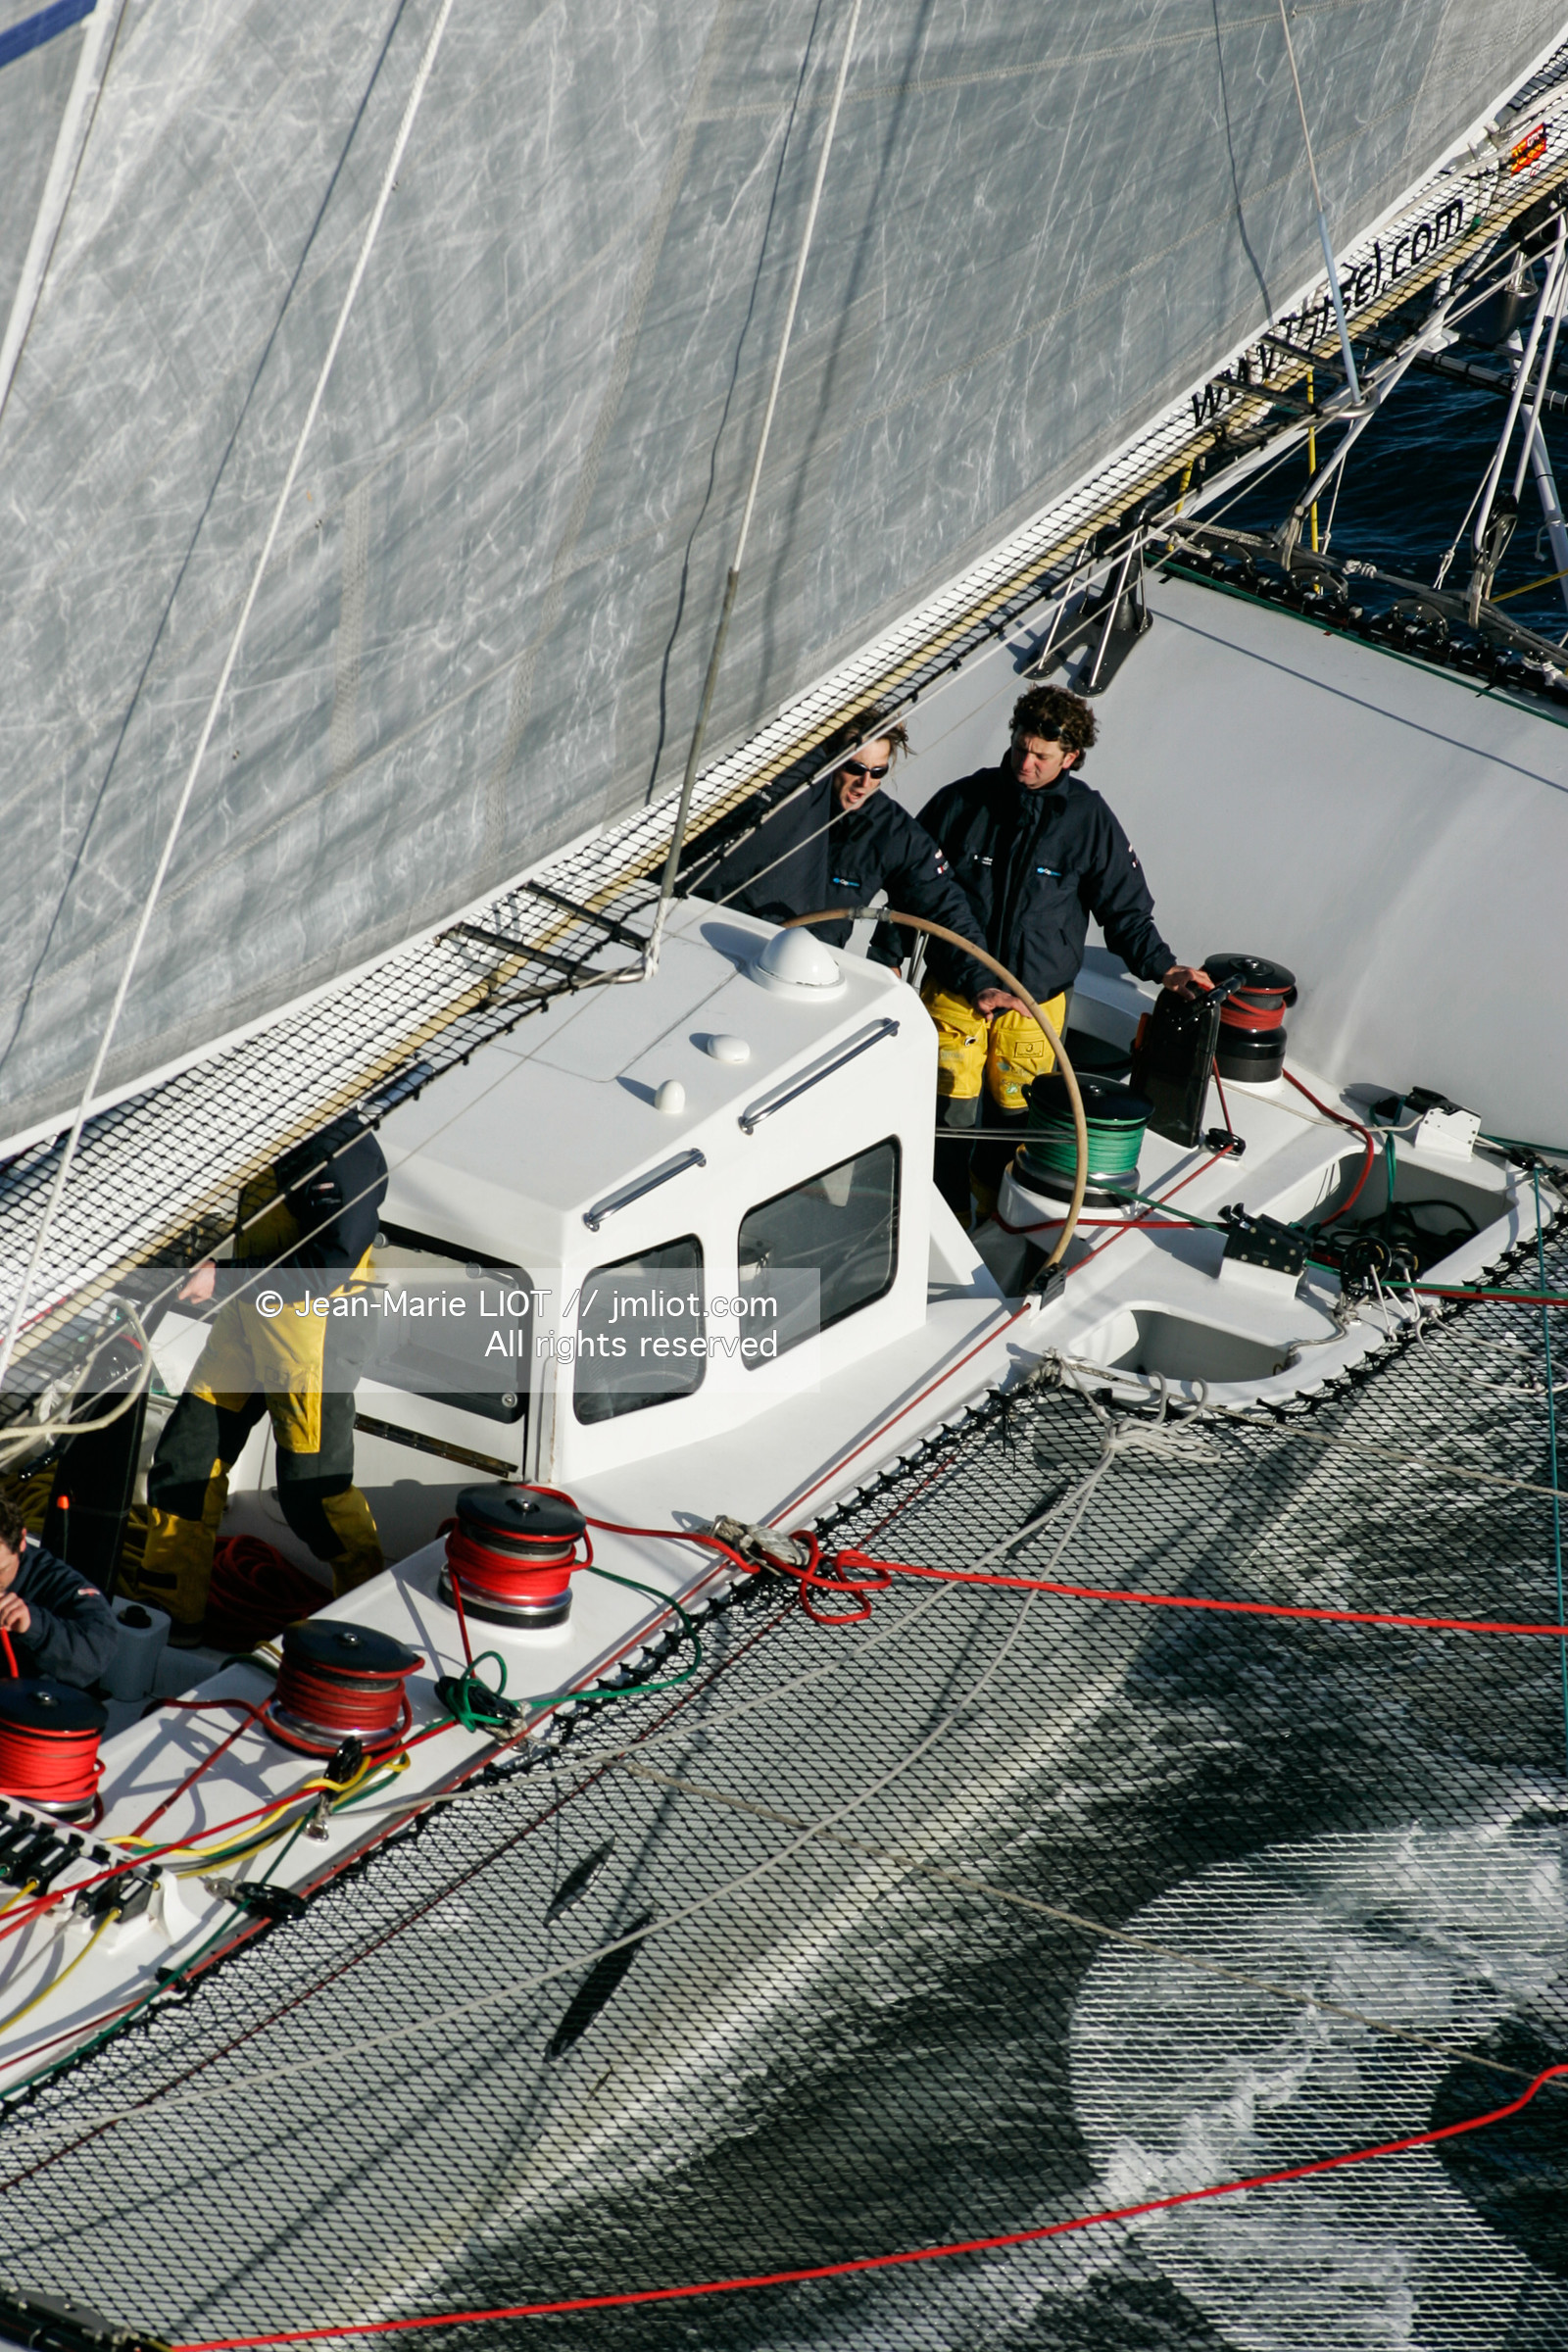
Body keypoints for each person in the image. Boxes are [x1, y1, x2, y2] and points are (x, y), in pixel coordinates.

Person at [917, 684, 1211, 1221]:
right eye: (1019, 748)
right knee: (945, 1117)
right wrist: (888, 955)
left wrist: (1164, 968)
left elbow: (1124, 911)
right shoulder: (961, 801)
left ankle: (989, 1215)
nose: (1025, 763)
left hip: (1035, 1005)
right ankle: (941, 1219)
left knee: (1011, 1122)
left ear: (1070, 757)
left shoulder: (1090, 822)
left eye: (1041, 756)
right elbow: (912, 884)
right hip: (956, 992)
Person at [122, 1113, 389, 1645]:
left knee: (311, 1492)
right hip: (249, 1313)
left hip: (315, 1329)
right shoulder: (272, 1118)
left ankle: (370, 1620)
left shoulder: (344, 1153)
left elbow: (330, 1266)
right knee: (186, 1460)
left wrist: (222, 1278)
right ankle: (170, 1612)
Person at [678, 708, 994, 996]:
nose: (864, 782)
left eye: (878, 772)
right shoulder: (781, 797)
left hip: (802, 982)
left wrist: (981, 980)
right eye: (854, 767)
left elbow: (944, 903)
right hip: (718, 948)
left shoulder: (891, 833)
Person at [0, 1494, 117, 1689]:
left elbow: (95, 1654)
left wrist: (33, 1625)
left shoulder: (54, 1581)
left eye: (0, 1570)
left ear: (21, 1541)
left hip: (20, 1701)